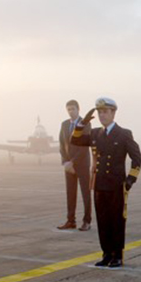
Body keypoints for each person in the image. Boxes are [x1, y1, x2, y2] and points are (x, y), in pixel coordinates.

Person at [71, 97, 141, 268]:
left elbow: (137, 158)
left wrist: (130, 180)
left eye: (105, 112)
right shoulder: (96, 133)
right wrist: (82, 123)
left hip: (117, 185)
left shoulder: (124, 134)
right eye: (99, 112)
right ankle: (106, 254)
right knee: (102, 221)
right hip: (99, 185)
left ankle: (117, 255)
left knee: (116, 221)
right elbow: (75, 140)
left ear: (113, 113)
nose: (102, 115)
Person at [57, 99, 93, 231]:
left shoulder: (86, 123)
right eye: (68, 109)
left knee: (85, 193)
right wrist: (66, 162)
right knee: (70, 193)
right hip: (68, 165)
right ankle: (70, 221)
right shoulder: (64, 124)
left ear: (78, 109)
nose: (71, 112)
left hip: (82, 164)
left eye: (73, 109)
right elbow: (61, 144)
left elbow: (84, 147)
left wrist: (73, 162)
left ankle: (87, 221)